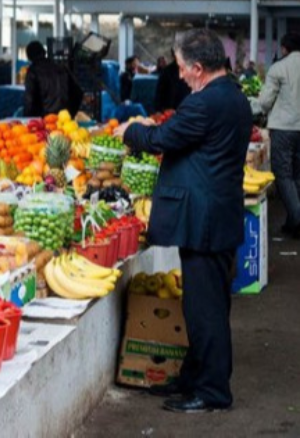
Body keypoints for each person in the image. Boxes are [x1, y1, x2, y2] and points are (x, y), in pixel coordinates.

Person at [114, 28, 251, 413]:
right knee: (206, 305)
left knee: (204, 310)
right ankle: (194, 377)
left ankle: (212, 392)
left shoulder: (204, 103)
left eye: (180, 69)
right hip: (219, 215)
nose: (178, 76)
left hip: (204, 220)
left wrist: (132, 132)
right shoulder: (233, 96)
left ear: (197, 67)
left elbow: (163, 139)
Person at [255, 32, 300, 236]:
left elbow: (264, 103)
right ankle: (292, 222)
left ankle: (297, 219)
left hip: (284, 128)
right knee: (297, 175)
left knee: (283, 175)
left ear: (284, 48)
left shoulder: (279, 68)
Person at [23, 41, 83, 117]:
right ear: (44, 52)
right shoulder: (62, 67)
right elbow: (78, 92)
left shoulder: (33, 71)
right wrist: (71, 113)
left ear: (29, 57)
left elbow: (29, 101)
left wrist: (27, 120)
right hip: (64, 119)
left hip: (44, 121)